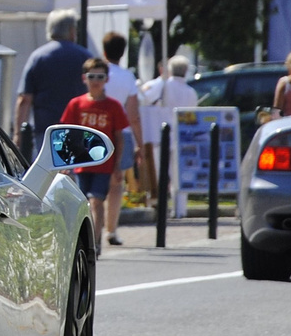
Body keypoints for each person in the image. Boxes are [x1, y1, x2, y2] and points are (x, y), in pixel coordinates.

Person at [61, 57, 129, 256]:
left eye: (100, 76)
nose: (96, 81)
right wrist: (66, 161)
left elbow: (119, 137)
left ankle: (95, 240)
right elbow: (68, 133)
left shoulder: (113, 106)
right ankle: (84, 238)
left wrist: (117, 166)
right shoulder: (76, 104)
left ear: (107, 79)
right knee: (83, 203)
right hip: (82, 163)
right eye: (92, 76)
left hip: (104, 164)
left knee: (97, 201)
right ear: (84, 78)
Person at [15, 10, 93, 157]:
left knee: (47, 174)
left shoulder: (38, 57)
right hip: (79, 128)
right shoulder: (85, 57)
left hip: (45, 130)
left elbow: (24, 99)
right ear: (71, 30)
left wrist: (19, 134)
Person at [139, 55, 199, 206]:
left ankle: (161, 206)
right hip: (182, 137)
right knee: (179, 174)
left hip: (160, 135)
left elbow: (143, 98)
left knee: (160, 173)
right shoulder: (191, 91)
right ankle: (180, 209)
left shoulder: (162, 85)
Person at [101, 32, 143, 245]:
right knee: (117, 184)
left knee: (96, 181)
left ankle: (95, 226)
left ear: (104, 51)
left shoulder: (97, 73)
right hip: (122, 133)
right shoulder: (128, 77)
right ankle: (111, 230)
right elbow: (134, 115)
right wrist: (139, 143)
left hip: (98, 129)